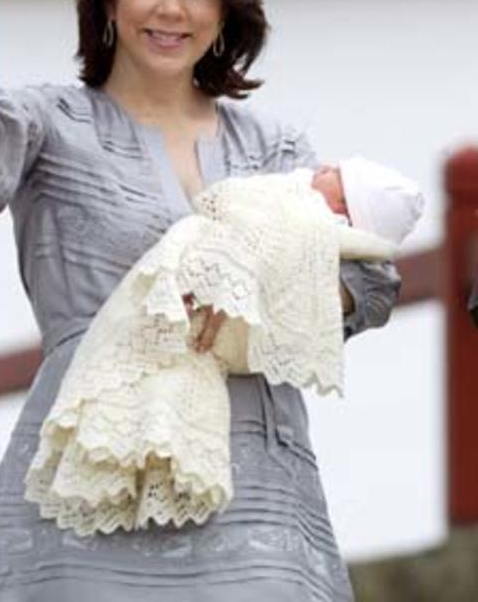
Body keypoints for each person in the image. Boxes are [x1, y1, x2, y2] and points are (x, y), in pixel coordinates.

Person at [0, 0, 401, 602]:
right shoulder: (51, 125)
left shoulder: (274, 148)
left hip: (254, 500)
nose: (172, 8)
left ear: (227, 6)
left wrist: (255, 298)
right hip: (89, 492)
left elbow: (367, 283)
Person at [24, 160, 423, 538]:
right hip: (159, 299)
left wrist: (243, 276)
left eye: (334, 174)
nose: (320, 168)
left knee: (180, 373)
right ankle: (127, 446)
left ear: (344, 209)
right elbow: (235, 202)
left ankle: (157, 450)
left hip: (255, 447)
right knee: (142, 365)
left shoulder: (292, 173)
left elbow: (373, 290)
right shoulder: (290, 189)